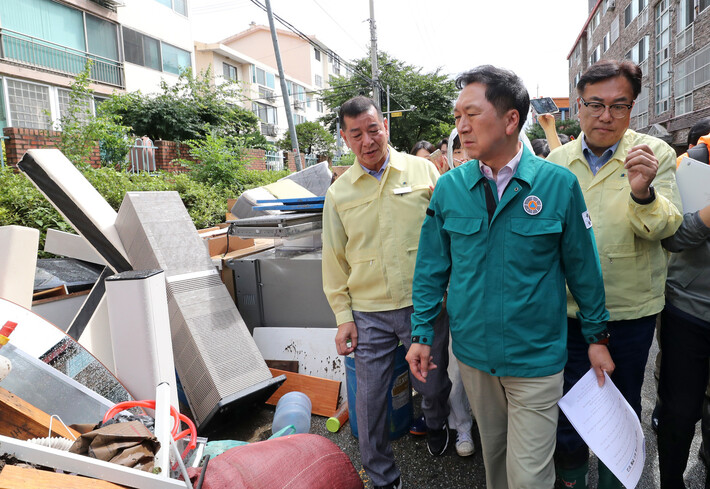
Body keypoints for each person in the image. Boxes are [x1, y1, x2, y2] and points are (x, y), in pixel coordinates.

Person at [407, 65, 613, 489]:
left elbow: (584, 270)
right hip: (475, 356)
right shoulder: (449, 189)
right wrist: (421, 333)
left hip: (535, 358)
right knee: (495, 463)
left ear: (510, 119)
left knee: (530, 476)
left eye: (471, 113)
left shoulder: (558, 185)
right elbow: (431, 267)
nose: (460, 126)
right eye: (457, 116)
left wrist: (596, 338)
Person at [546, 59, 683, 489]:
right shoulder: (556, 161)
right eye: (595, 104)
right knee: (569, 402)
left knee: (621, 401)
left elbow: (668, 228)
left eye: (619, 106)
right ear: (579, 106)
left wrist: (643, 193)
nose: (606, 116)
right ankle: (571, 476)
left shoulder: (654, 154)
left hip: (630, 310)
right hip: (568, 311)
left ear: (633, 107)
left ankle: (613, 478)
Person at [322, 96, 452, 489]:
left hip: (423, 306)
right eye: (356, 134)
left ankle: (435, 421)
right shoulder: (339, 193)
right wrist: (343, 316)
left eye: (373, 129)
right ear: (345, 139)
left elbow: (447, 236)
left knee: (431, 382)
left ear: (386, 128)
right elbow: (333, 259)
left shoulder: (423, 171)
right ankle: (381, 475)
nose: (367, 140)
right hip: (369, 311)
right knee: (370, 398)